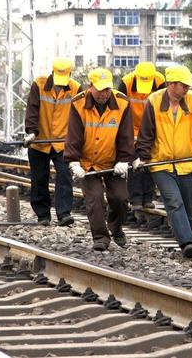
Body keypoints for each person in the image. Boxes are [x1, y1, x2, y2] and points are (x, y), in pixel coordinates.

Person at [135, 65, 192, 258]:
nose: (187, 89)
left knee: (190, 207)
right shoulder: (154, 101)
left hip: (186, 162)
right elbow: (146, 133)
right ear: (171, 85)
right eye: (183, 86)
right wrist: (143, 157)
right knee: (174, 202)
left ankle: (186, 238)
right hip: (161, 163)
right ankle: (187, 243)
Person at [64, 68, 135, 251]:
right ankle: (101, 237)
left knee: (120, 198)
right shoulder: (78, 103)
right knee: (95, 198)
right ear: (90, 87)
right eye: (100, 89)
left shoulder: (123, 103)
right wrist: (74, 162)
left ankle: (116, 227)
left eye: (107, 89)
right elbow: (73, 135)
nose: (104, 94)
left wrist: (124, 160)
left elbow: (126, 135)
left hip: (113, 162)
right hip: (89, 163)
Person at [24, 58, 81, 226]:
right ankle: (43, 215)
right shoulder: (39, 84)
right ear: (52, 73)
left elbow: (79, 116)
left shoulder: (76, 88)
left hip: (62, 142)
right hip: (40, 141)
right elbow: (32, 109)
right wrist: (32, 131)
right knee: (39, 177)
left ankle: (64, 214)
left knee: (64, 175)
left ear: (70, 74)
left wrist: (77, 139)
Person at [117, 62, 166, 210]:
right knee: (135, 164)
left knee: (149, 162)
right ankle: (136, 198)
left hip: (152, 128)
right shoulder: (126, 83)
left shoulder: (160, 82)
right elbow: (119, 108)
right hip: (131, 128)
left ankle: (147, 197)